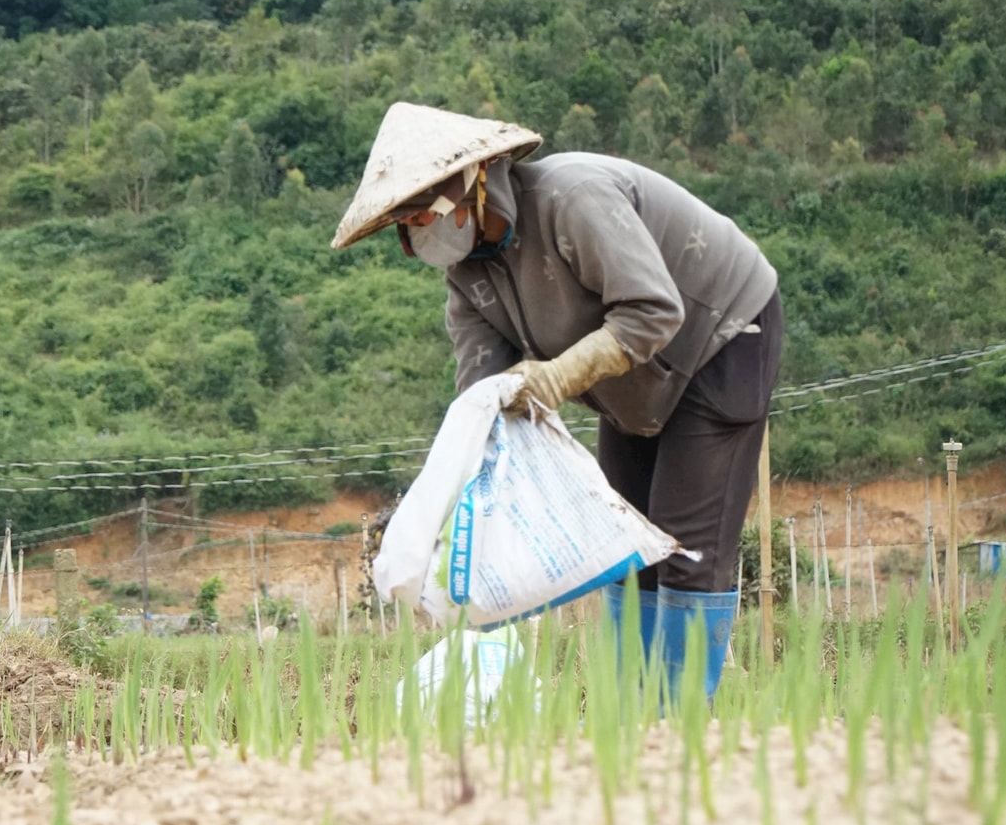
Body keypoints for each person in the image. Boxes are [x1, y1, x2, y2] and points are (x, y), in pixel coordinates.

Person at [332, 103, 782, 701]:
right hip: (632, 379)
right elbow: (479, 382)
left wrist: (552, 378)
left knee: (686, 546)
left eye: (425, 213)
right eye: (406, 226)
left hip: (719, 339)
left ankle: (677, 724)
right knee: (624, 546)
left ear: (477, 181)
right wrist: (462, 481)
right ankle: (635, 711)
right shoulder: (468, 275)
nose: (419, 233)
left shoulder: (572, 199)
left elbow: (654, 310)